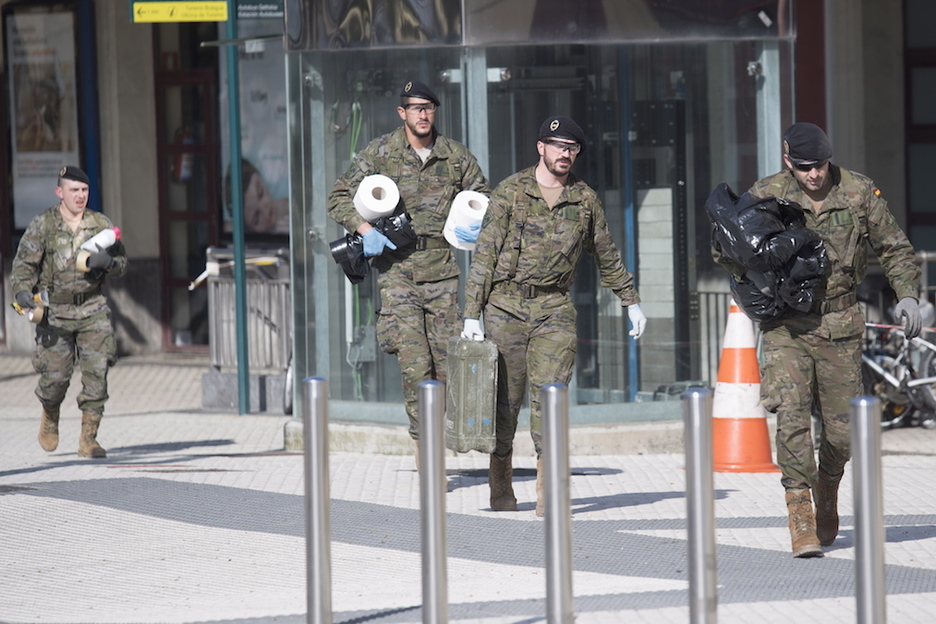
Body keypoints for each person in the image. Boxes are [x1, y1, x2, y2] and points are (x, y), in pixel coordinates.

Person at [713, 122, 922, 557]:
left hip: (840, 323)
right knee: (791, 419)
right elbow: (727, 245)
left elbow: (895, 248)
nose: (814, 175)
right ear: (789, 160)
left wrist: (908, 297)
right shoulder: (767, 193)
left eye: (820, 165)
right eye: (805, 167)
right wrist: (750, 279)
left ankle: (828, 486)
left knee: (844, 433)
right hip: (787, 326)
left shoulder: (858, 191)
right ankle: (800, 514)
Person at [461, 115, 647, 515]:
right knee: (505, 405)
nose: (566, 153)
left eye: (572, 148)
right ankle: (501, 487)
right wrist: (471, 313)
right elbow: (485, 256)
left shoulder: (585, 200)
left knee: (551, 400)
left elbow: (607, 255)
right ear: (540, 148)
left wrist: (630, 301)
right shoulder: (510, 192)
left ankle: (549, 496)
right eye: (558, 145)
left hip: (553, 309)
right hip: (505, 307)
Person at [327, 80, 490, 462]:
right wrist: (364, 230)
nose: (423, 115)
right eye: (415, 108)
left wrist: (478, 222)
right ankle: (424, 446)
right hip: (397, 273)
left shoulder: (455, 156)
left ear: (435, 112)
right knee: (415, 366)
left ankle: (441, 433)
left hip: (442, 273)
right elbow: (337, 196)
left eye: (429, 108)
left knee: (449, 365)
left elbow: (483, 200)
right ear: (402, 113)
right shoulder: (380, 153)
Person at [11, 165, 129, 458]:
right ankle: (50, 414)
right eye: (74, 190)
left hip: (93, 309)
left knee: (97, 372)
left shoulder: (100, 224)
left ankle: (88, 439)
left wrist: (108, 264)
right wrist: (23, 292)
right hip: (56, 313)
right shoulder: (44, 225)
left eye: (84, 190)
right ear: (59, 192)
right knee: (55, 378)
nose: (80, 196)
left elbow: (123, 264)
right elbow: (24, 266)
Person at [224, 158, 289, 234]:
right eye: (256, 218)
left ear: (260, 176)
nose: (265, 208)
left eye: (261, 192)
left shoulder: (296, 203)